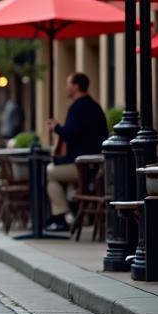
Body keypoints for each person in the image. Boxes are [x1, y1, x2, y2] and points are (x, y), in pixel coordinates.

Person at [45, 73, 107, 232]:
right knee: (55, 173)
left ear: (76, 86)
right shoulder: (94, 106)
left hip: (82, 165)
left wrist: (56, 128)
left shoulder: (78, 106)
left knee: (50, 172)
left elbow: (70, 134)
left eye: (68, 84)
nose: (66, 87)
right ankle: (66, 213)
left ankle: (63, 216)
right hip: (95, 164)